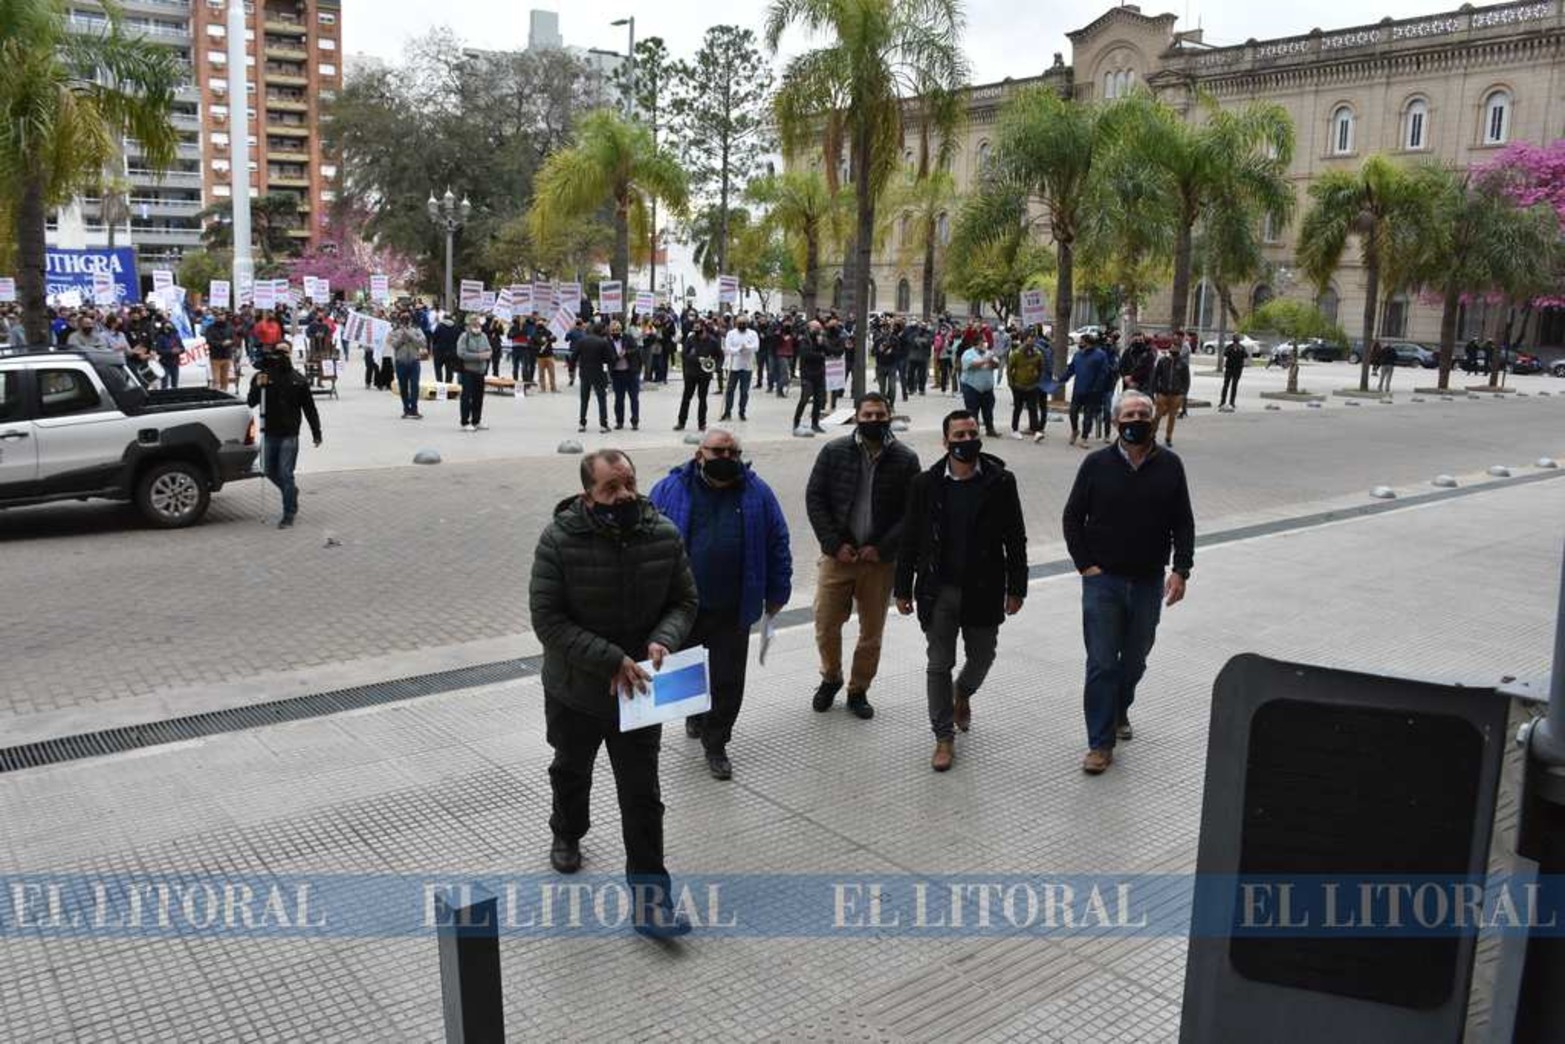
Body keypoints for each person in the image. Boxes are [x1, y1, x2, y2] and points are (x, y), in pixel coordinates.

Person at [528, 449, 698, 938]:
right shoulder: (558, 539)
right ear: (588, 494)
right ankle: (567, 832)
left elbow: (684, 600)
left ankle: (652, 906)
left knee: (643, 797)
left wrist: (664, 639)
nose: (623, 495)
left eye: (628, 484)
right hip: (575, 691)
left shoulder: (662, 533)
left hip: (638, 693)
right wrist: (610, 659)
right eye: (611, 488)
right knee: (570, 770)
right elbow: (548, 620)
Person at [1062, 390, 1195, 775]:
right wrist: (1085, 565)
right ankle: (1100, 744)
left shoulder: (1171, 465)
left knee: (1135, 660)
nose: (1136, 419)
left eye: (1143, 413)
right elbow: (1073, 517)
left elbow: (1182, 521)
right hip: (1103, 582)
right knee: (1102, 662)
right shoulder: (1095, 464)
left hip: (1149, 581)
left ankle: (1120, 706)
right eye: (1129, 413)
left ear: (1153, 420)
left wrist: (1181, 569)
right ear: (1117, 421)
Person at [649, 429, 792, 780]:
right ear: (700, 454)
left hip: (734, 606)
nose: (727, 458)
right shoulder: (669, 490)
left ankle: (716, 743)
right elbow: (646, 543)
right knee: (687, 669)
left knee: (728, 680)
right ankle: (694, 715)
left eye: (733, 452)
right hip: (684, 607)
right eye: (718, 452)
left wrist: (777, 592)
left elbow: (778, 542)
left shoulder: (758, 493)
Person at [895, 410, 1028, 771]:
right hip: (939, 591)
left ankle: (963, 693)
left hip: (984, 588)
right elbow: (910, 539)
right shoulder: (925, 484)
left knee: (983, 656)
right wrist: (901, 587)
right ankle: (942, 737)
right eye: (959, 435)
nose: (967, 441)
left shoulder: (1001, 481)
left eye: (972, 433)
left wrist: (1017, 586)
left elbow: (1015, 537)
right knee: (939, 664)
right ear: (946, 442)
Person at [804, 393, 922, 719]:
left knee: (871, 633)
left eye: (879, 414)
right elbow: (815, 498)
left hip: (878, 563)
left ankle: (858, 689)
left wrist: (882, 548)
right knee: (826, 624)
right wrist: (833, 543)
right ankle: (831, 677)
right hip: (837, 557)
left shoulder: (905, 459)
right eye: (867, 415)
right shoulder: (833, 452)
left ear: (889, 416)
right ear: (856, 417)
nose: (873, 420)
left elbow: (914, 511)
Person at [247, 343, 323, 530]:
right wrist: (258, 386)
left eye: (284, 352)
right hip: (270, 431)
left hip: (289, 433)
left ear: (290, 355)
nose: (279, 357)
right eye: (277, 353)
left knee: (285, 473)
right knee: (267, 469)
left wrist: (316, 432)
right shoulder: (262, 376)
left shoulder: (298, 379)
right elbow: (251, 402)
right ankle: (290, 491)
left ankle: (289, 512)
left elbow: (309, 408)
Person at [675, 318, 721, 431]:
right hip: (691, 373)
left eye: (698, 327)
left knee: (702, 399)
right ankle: (681, 422)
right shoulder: (690, 339)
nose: (696, 330)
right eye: (694, 328)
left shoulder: (712, 341)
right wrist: (696, 359)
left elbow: (719, 356)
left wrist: (715, 366)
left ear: (704, 328)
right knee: (686, 398)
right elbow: (684, 355)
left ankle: (702, 423)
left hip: (705, 374)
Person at [958, 334, 1001, 437]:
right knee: (972, 410)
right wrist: (985, 360)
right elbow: (972, 365)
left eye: (985, 342)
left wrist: (991, 360)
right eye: (982, 342)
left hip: (987, 388)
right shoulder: (968, 353)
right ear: (976, 343)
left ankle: (990, 429)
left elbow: (996, 364)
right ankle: (974, 431)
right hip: (971, 387)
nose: (984, 344)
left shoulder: (989, 353)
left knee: (988, 410)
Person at [574, 321, 613, 434]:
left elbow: (574, 355)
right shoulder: (603, 342)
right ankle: (603, 424)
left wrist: (572, 367)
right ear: (601, 330)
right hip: (598, 373)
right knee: (601, 398)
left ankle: (582, 423)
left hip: (584, 373)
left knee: (584, 399)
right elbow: (609, 359)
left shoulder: (582, 341)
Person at [455, 313, 492, 431]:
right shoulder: (464, 337)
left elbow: (489, 349)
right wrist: (479, 356)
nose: (476, 324)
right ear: (469, 324)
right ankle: (465, 422)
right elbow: (461, 353)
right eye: (473, 322)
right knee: (467, 397)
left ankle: (476, 420)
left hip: (480, 371)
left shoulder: (484, 336)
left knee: (478, 397)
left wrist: (487, 355)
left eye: (477, 322)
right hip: (468, 371)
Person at [1006, 334, 1046, 440]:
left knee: (1033, 408)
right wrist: (1011, 383)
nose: (1031, 343)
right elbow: (1009, 369)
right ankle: (1015, 429)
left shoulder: (1037, 353)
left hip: (1032, 386)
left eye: (1033, 340)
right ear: (1024, 341)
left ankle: (1036, 430)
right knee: (1017, 408)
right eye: (1029, 340)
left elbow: (1041, 368)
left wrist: (1038, 381)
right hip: (1018, 385)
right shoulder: (1017, 353)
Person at [388, 313, 427, 419]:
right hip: (401, 362)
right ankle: (406, 408)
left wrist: (411, 336)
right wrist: (402, 338)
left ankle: (414, 409)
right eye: (403, 319)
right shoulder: (395, 331)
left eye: (407, 319)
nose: (405, 321)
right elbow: (394, 345)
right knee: (403, 386)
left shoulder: (417, 330)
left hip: (414, 361)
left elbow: (423, 343)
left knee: (415, 385)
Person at [721, 313, 758, 421]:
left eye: (744, 323)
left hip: (747, 366)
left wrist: (747, 348)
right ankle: (727, 412)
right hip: (733, 366)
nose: (742, 325)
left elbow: (756, 347)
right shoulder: (731, 334)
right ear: (736, 323)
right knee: (730, 390)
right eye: (739, 323)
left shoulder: (752, 334)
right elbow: (728, 348)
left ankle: (742, 412)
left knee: (744, 391)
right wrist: (738, 349)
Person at [1151, 345, 1190, 447]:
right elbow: (1156, 376)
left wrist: (1183, 394)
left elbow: (1186, 380)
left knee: (1172, 417)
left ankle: (1168, 437)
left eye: (1176, 349)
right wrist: (1155, 391)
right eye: (1172, 349)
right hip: (1162, 393)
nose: (1174, 350)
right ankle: (1151, 435)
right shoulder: (1163, 361)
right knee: (1157, 415)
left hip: (1176, 394)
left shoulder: (1183, 364)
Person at [793, 321, 828, 433]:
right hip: (807, 375)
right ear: (810, 328)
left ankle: (815, 423)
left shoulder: (820, 339)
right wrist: (820, 355)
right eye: (816, 328)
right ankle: (796, 422)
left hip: (819, 374)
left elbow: (829, 351)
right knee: (805, 398)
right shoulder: (804, 340)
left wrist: (821, 344)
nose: (818, 330)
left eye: (819, 328)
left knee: (818, 400)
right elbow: (806, 355)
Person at [608, 320, 642, 431]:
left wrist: (626, 352)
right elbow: (608, 356)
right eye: (613, 330)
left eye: (617, 330)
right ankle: (619, 421)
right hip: (617, 373)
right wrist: (617, 357)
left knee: (634, 398)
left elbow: (636, 350)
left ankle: (635, 421)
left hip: (630, 372)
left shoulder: (628, 338)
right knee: (619, 399)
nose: (615, 332)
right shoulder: (608, 341)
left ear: (621, 329)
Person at [206, 310, 237, 392]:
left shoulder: (230, 327)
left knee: (225, 377)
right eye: (217, 315)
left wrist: (230, 342)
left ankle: (224, 392)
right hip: (215, 356)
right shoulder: (210, 328)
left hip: (226, 355)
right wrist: (221, 344)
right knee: (216, 379)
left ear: (225, 316)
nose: (219, 317)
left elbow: (234, 338)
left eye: (221, 315)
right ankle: (216, 394)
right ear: (215, 317)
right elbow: (209, 341)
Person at [1219, 334, 1246, 410]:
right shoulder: (1229, 347)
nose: (1236, 343)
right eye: (1235, 340)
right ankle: (1222, 401)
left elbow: (1246, 355)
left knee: (1234, 386)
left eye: (1237, 341)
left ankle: (1232, 402)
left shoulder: (1242, 347)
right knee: (1226, 385)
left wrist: (1239, 350)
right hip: (1229, 368)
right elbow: (1225, 353)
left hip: (1237, 369)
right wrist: (1232, 349)